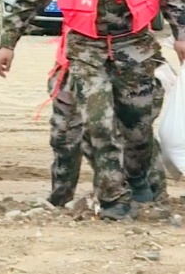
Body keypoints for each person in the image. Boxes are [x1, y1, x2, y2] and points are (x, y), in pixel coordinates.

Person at [0, 0, 185, 221]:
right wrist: (8, 43)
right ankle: (114, 200)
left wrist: (180, 32)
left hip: (135, 44)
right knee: (98, 124)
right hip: (86, 48)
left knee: (138, 126)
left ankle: (140, 176)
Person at [46, 28, 169, 205]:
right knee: (77, 138)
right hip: (78, 70)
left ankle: (146, 195)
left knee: (134, 137)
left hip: (132, 70)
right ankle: (64, 197)